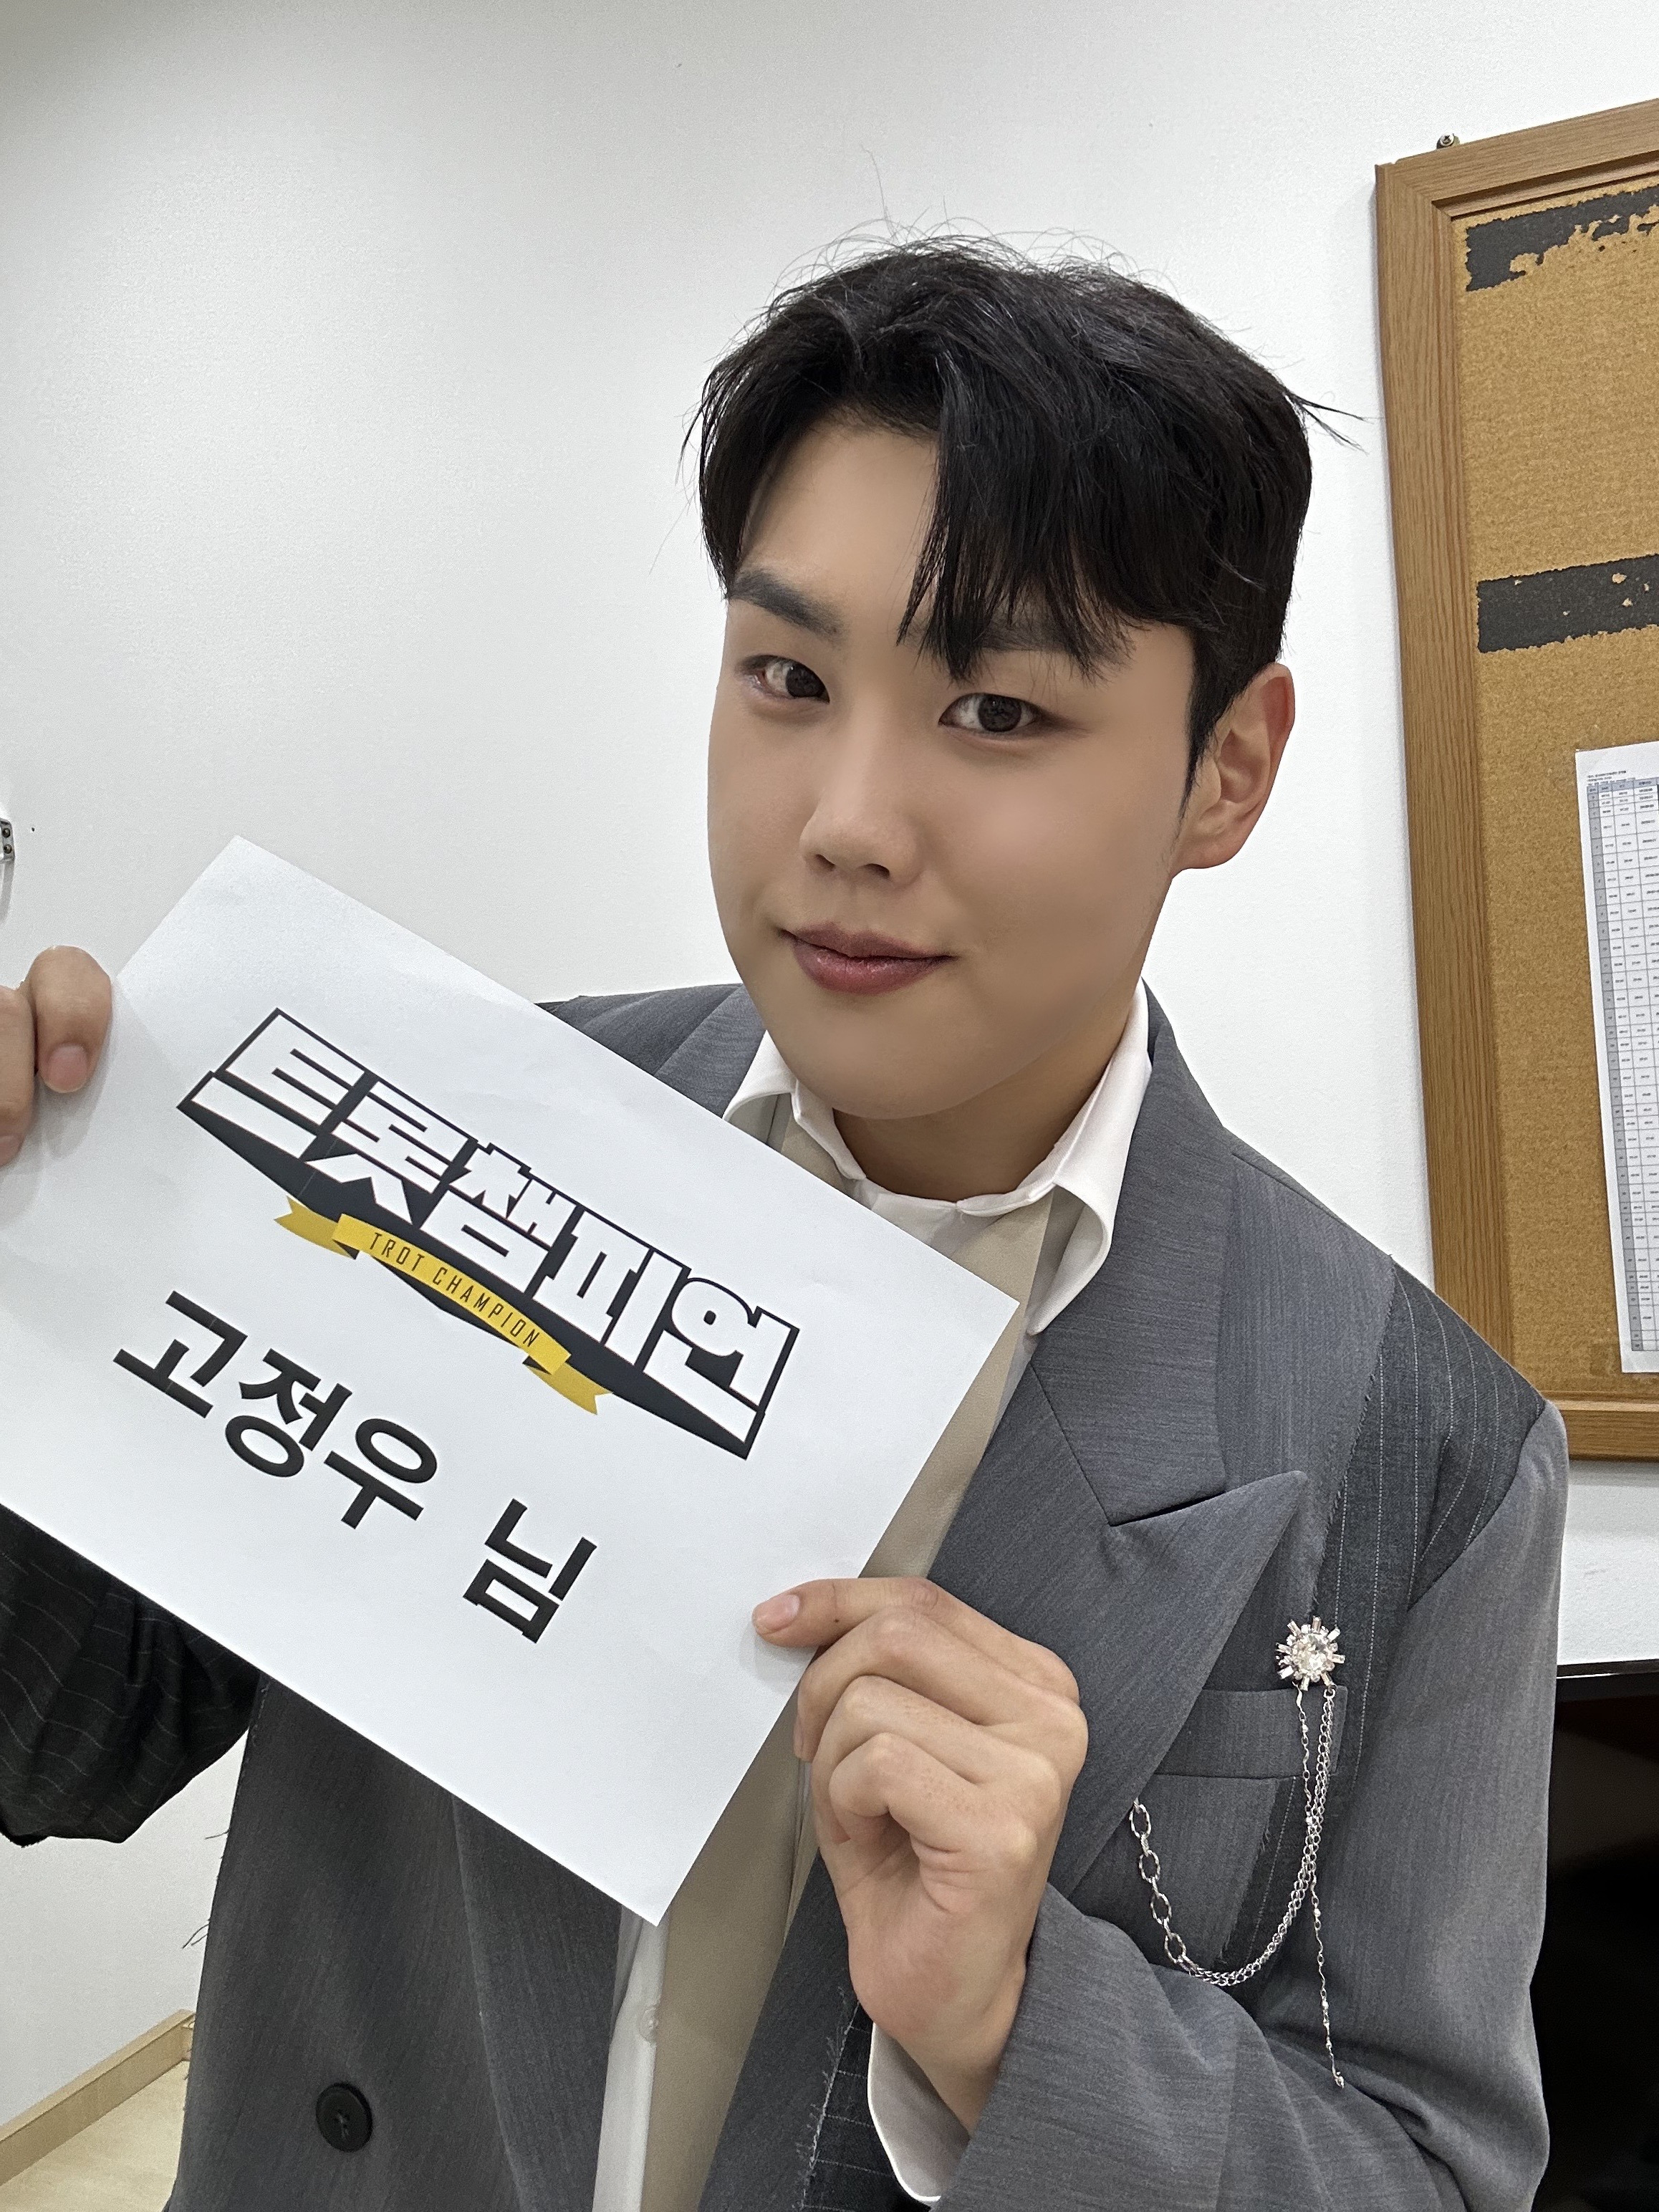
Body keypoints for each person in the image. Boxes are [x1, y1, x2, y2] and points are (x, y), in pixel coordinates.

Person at [0, 240, 1564, 2211]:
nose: (846, 819)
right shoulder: (452, 1142)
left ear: (1225, 769)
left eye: (995, 709)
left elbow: (1423, 2173)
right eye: (788, 680)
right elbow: (60, 1740)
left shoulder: (1419, 1446)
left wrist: (1014, 2023)